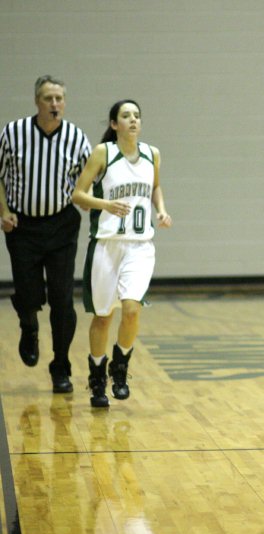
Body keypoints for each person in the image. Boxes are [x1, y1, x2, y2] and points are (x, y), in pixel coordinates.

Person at [71, 99, 172, 408]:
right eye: (126, 116)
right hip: (107, 244)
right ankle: (97, 376)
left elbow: (155, 186)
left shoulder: (152, 154)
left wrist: (162, 210)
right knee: (103, 317)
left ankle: (121, 366)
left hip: (140, 246)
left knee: (131, 309)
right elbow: (78, 194)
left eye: (137, 116)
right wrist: (106, 205)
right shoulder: (104, 153)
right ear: (114, 124)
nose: (133, 120)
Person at [0, 75, 92, 393]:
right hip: (22, 226)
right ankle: (29, 327)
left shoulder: (77, 137)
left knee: (62, 300)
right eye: (47, 98)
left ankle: (61, 366)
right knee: (28, 295)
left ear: (64, 103)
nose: (54, 104)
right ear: (36, 102)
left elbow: (89, 179)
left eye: (59, 99)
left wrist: (94, 203)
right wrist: (3, 211)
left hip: (62, 225)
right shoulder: (13, 133)